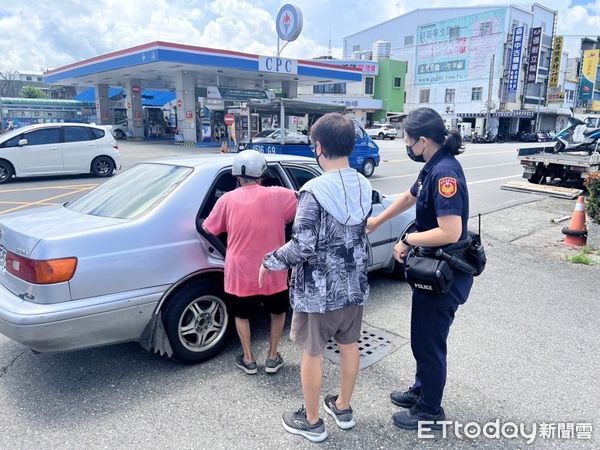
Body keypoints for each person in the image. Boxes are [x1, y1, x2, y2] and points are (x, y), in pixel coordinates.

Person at [259, 113, 372, 443]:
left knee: (313, 352)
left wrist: (272, 260)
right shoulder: (364, 185)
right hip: (354, 287)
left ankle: (312, 422)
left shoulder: (313, 191)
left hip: (319, 293)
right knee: (349, 345)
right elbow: (360, 231)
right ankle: (343, 407)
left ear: (318, 147)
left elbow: (304, 245)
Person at [366, 107, 473, 430]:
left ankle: (430, 410)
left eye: (408, 142)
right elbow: (409, 196)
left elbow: (451, 231)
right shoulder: (432, 167)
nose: (407, 148)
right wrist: (377, 220)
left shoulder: (445, 175)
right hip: (431, 268)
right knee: (421, 337)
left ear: (423, 141)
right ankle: (420, 389)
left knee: (429, 341)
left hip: (445, 271)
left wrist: (407, 239)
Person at [203, 150, 297, 375]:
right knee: (277, 310)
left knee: (242, 314)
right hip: (273, 267)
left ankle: (249, 359)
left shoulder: (226, 199)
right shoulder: (279, 194)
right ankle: (273, 357)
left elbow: (208, 227)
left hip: (240, 270)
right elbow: (304, 205)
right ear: (263, 175)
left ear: (237, 177)